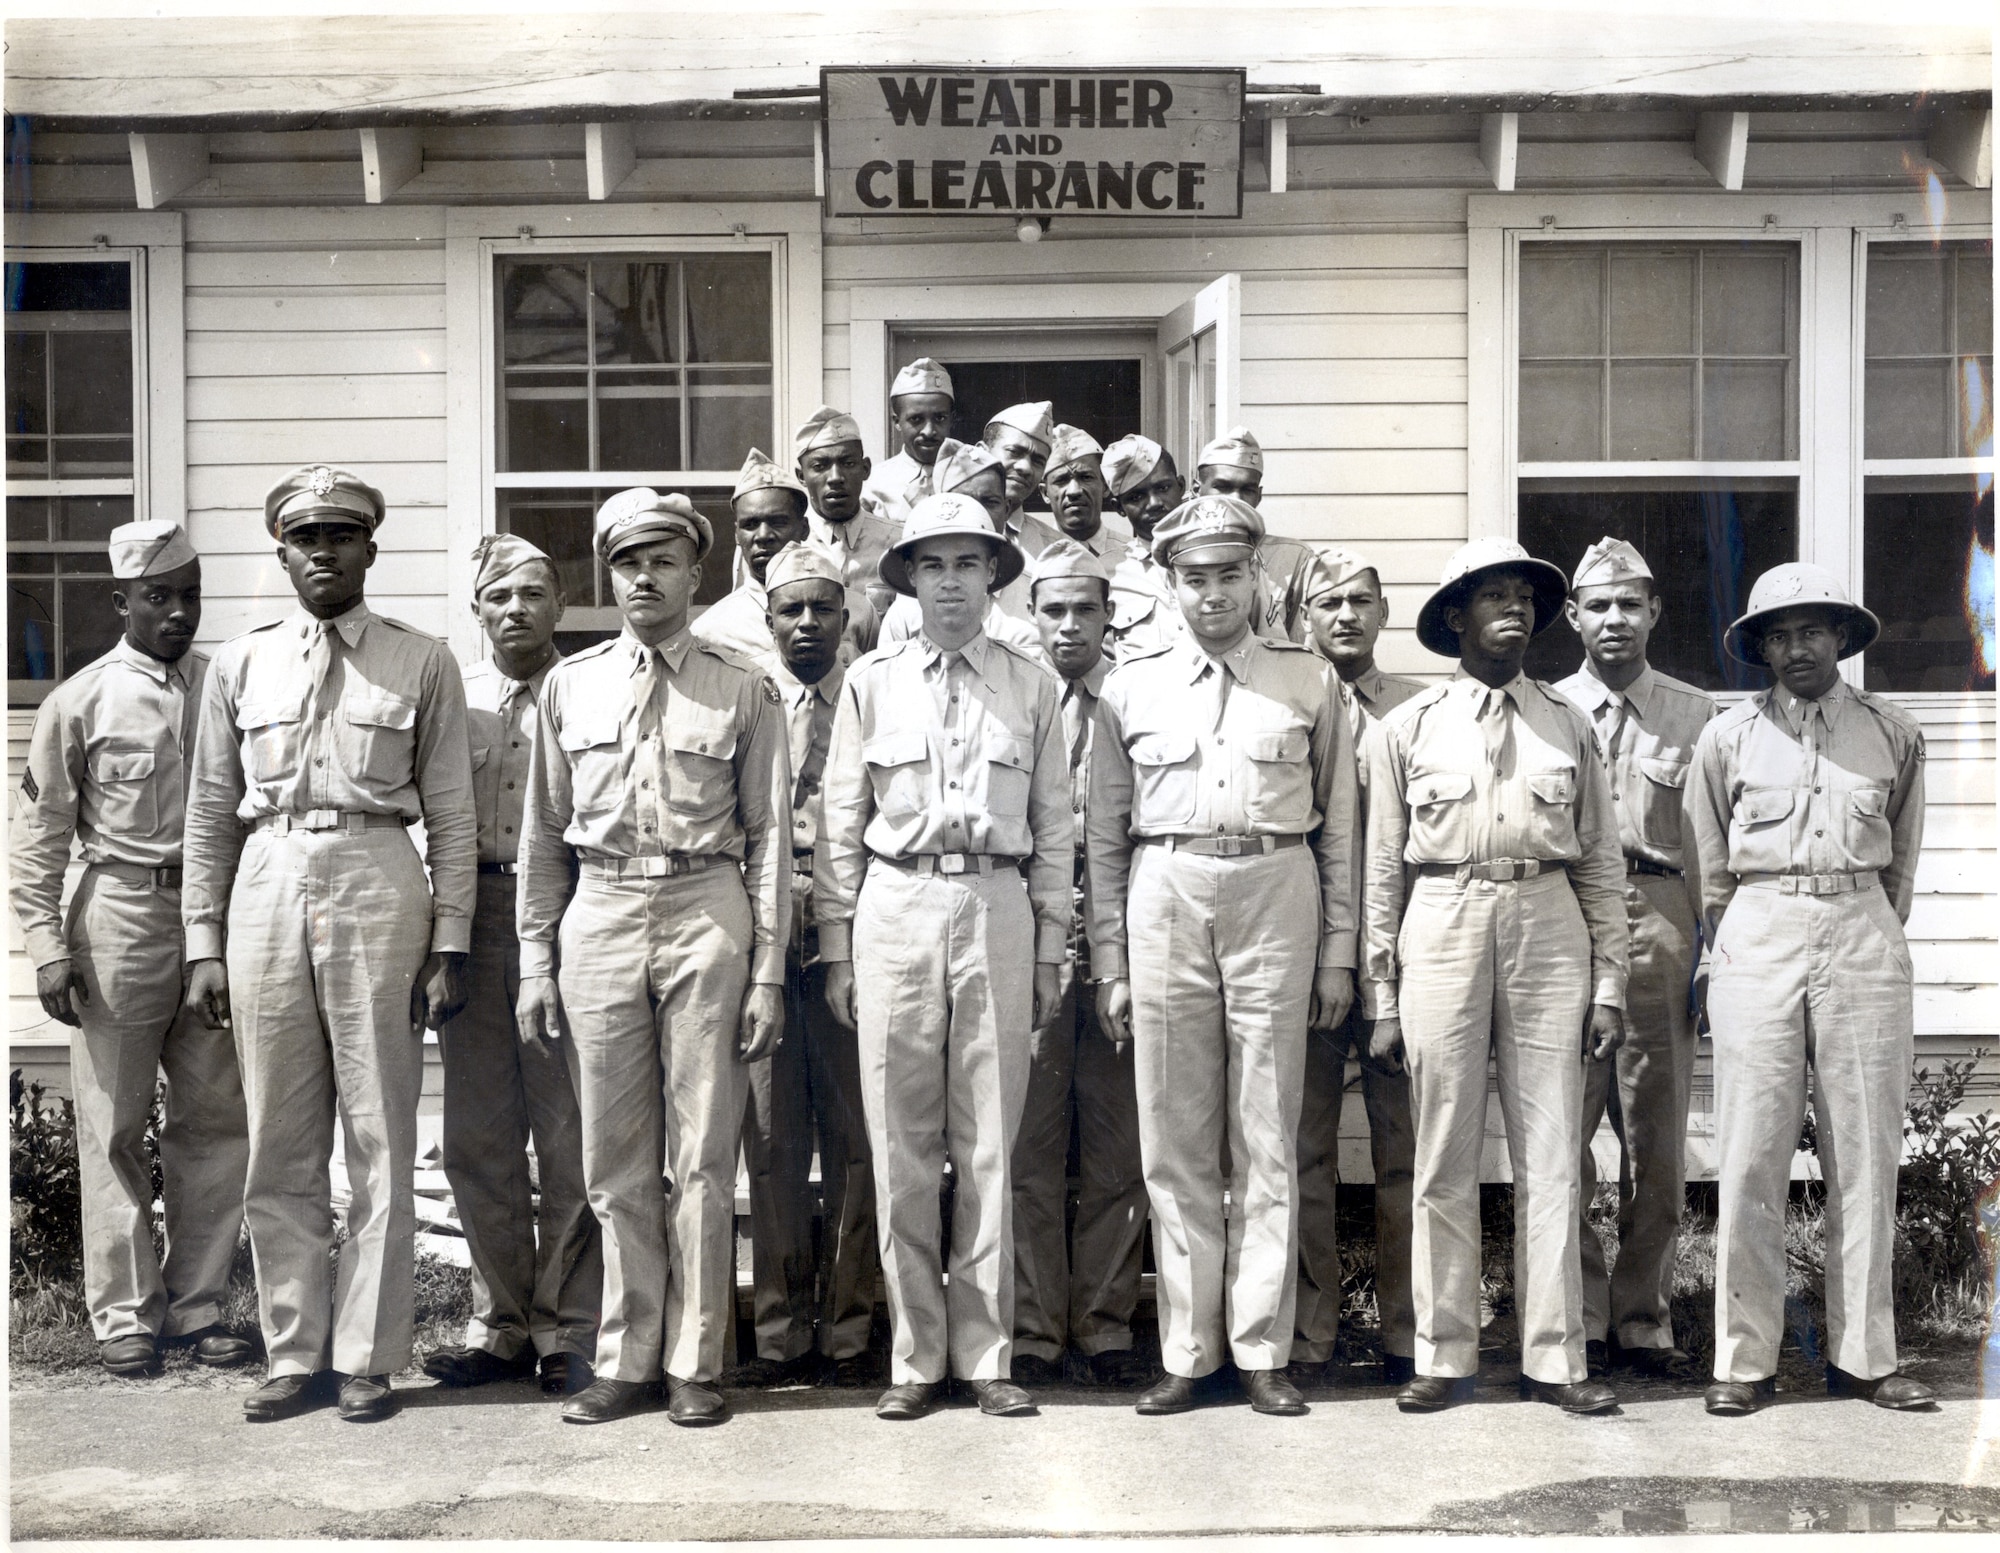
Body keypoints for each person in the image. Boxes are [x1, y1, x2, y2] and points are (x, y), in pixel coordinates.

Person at [182, 465, 478, 1424]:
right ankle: (293, 1346)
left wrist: (451, 941)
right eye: (306, 538)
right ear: (282, 551)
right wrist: (203, 941)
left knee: (381, 1128)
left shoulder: (420, 658)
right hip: (266, 880)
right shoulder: (240, 662)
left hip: (377, 873)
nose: (323, 552)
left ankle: (368, 1353)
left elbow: (453, 817)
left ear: (370, 550)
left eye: (341, 536)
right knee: (279, 1132)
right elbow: (210, 815)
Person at [515, 489, 791, 1429]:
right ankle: (626, 1356)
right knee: (613, 1158)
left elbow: (770, 839)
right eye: (628, 561)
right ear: (608, 571)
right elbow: (545, 834)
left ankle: (695, 1361)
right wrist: (533, 960)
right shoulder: (570, 684)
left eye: (663, 561)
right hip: (599, 908)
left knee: (707, 1152)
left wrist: (765, 972)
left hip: (705, 903)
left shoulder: (742, 683)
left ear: (694, 573)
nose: (644, 577)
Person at [1089, 494, 1360, 1419]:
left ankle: (1261, 1348)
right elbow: (1102, 839)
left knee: (1267, 1133)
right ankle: (1187, 1346)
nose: (1213, 595)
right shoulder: (1131, 684)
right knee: (1174, 1135)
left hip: (1276, 892)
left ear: (1256, 577)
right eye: (1194, 578)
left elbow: (1342, 832)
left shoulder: (1308, 681)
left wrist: (1337, 954)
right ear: (1171, 582)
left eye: (1228, 576)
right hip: (1166, 891)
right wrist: (1112, 964)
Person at [819, 491, 1073, 1422]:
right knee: (902, 1140)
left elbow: (1054, 825)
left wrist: (1050, 948)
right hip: (896, 902)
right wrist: (837, 947)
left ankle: (988, 1351)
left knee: (991, 1139)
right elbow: (839, 824)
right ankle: (915, 1356)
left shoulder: (1030, 681)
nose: (952, 581)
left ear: (994, 578)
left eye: (970, 563)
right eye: (934, 564)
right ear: (912, 579)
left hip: (997, 903)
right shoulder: (872, 681)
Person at [1362, 537, 1627, 1417]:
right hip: (1442, 919)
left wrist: (1609, 981)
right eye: (1493, 597)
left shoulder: (1566, 721)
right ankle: (1444, 1352)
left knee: (1553, 1149)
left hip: (1548, 922)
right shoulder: (1409, 728)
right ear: (1456, 618)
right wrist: (1383, 998)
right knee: (1443, 1147)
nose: (1513, 610)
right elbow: (1381, 875)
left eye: (1524, 597)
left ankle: (1557, 1357)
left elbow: (1598, 864)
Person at [1688, 562, 1934, 1416]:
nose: (1797, 648)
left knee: (1863, 1152)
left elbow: (1898, 861)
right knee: (1750, 1152)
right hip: (1758, 931)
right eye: (1779, 634)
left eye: (1812, 630)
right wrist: (1741, 943)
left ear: (1842, 637)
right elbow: (1710, 866)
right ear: (1759, 645)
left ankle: (1865, 1357)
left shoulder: (1892, 733)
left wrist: (1861, 924)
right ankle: (1745, 1361)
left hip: (1861, 931)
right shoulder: (1727, 739)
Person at [9, 521, 252, 1381]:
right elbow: (36, 841)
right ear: (121, 602)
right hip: (119, 913)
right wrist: (45, 947)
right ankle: (123, 1315)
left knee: (214, 1118)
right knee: (112, 1121)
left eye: (190, 595)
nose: (179, 612)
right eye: (160, 597)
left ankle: (198, 1307)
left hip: (213, 919)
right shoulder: (79, 701)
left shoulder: (226, 686)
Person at [423, 534, 601, 1399]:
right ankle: (500, 1321)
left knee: (568, 1132)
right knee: (479, 1136)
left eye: (534, 593)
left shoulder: (587, 688)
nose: (517, 610)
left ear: (560, 604)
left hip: (571, 918)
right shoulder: (452, 701)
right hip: (476, 914)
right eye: (500, 597)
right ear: (478, 611)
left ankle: (570, 1326)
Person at [1552, 537, 1715, 1381]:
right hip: (1567, 918)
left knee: (1654, 1126)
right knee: (1564, 1125)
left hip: (1660, 912)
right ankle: (1577, 1312)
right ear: (1573, 616)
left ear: (1655, 611)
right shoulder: (1544, 708)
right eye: (1597, 605)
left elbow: (1717, 852)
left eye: (1630, 603)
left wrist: (1714, 951)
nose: (1614, 619)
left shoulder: (1699, 716)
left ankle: (1642, 1311)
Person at [733, 540, 883, 1390]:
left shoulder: (871, 695)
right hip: (765, 931)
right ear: (769, 619)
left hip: (853, 936)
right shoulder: (751, 698)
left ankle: (854, 1328)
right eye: (791, 609)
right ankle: (784, 1333)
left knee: (858, 1140)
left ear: (847, 616)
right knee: (774, 1140)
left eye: (822, 608)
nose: (807, 623)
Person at [1011, 538, 1152, 1391]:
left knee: (1114, 1149)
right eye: (1054, 609)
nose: (1070, 626)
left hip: (1122, 950)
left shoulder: (1134, 699)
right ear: (1033, 616)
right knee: (1029, 1149)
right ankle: (1030, 1327)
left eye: (1085, 609)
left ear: (1109, 617)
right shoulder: (1018, 696)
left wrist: (1118, 955)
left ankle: (1103, 1326)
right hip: (1029, 945)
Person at [1290, 547, 1424, 1388]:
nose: (1345, 615)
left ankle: (1410, 1333)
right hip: (1303, 960)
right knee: (1301, 1151)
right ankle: (1310, 1333)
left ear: (1384, 614)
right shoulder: (1284, 701)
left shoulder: (1422, 709)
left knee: (1404, 1152)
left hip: (1404, 960)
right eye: (1328, 601)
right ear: (1304, 615)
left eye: (1361, 601)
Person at [879, 439, 1040, 651]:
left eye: (989, 502)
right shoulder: (910, 602)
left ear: (1007, 508)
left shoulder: (1032, 588)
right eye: (963, 501)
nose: (976, 512)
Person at [694, 447, 813, 675]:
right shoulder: (710, 631)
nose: (763, 535)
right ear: (737, 535)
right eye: (750, 525)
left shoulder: (850, 609)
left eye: (778, 522)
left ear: (804, 528)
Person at [1193, 427, 1314, 644]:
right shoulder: (1178, 553)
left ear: (1258, 496)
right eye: (1223, 487)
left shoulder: (1293, 559)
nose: (1236, 500)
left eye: (1246, 490)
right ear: (1197, 490)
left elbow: (1300, 649)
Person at [795, 405, 901, 631]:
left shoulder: (897, 544)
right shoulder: (789, 542)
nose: (835, 478)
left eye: (848, 463)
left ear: (865, 469)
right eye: (820, 466)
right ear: (801, 476)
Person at [1099, 434, 1186, 657]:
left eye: (1163, 488)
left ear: (1181, 486)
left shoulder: (1217, 555)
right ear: (1118, 507)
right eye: (1137, 497)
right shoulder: (1107, 573)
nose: (1155, 503)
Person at [862, 357, 955, 525]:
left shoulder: (971, 474)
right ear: (896, 421)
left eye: (940, 418)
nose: (929, 431)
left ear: (952, 419)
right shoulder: (874, 483)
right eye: (916, 419)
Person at [1024, 424, 1129, 562]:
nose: (1074, 491)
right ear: (1045, 493)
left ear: (1105, 485)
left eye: (1086, 477)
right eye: (1061, 480)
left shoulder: (1131, 556)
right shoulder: (1029, 558)